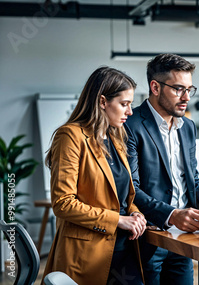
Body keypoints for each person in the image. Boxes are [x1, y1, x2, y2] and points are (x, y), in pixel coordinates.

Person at [43, 66, 147, 285]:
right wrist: (118, 220)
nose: (130, 112)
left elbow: (121, 197)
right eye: (124, 104)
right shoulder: (70, 136)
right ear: (102, 102)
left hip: (124, 248)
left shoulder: (115, 138)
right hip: (87, 253)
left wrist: (135, 213)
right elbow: (63, 203)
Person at [124, 53, 199, 284]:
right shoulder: (130, 124)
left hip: (183, 238)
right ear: (155, 87)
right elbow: (130, 188)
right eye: (178, 89)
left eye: (189, 89)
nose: (186, 97)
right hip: (146, 237)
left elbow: (193, 181)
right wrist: (172, 215)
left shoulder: (188, 126)